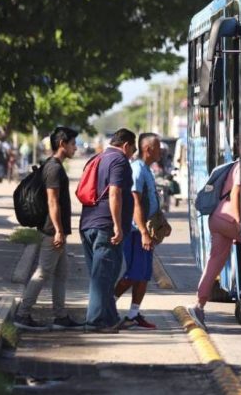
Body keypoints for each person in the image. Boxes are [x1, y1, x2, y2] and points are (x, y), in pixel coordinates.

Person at [14, 127, 84, 331]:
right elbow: (53, 202)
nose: (75, 148)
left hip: (54, 229)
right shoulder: (54, 169)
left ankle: (61, 316)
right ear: (62, 144)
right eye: (72, 143)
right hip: (51, 230)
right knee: (43, 272)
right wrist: (59, 231)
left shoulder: (53, 166)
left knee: (62, 274)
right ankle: (23, 314)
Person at [79, 128, 137, 333]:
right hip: (106, 227)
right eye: (134, 149)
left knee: (104, 277)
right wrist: (118, 226)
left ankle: (111, 318)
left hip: (88, 224)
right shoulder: (119, 160)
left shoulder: (98, 158)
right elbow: (114, 194)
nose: (133, 154)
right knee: (102, 278)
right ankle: (95, 322)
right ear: (126, 145)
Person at [114, 132, 162, 330]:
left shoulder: (147, 170)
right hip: (135, 233)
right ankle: (106, 304)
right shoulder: (137, 169)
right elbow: (135, 201)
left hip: (145, 231)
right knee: (134, 274)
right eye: (158, 147)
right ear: (148, 149)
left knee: (143, 275)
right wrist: (143, 231)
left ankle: (133, 315)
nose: (161, 151)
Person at [188, 159, 241, 331]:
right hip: (229, 218)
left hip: (217, 217)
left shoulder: (234, 164)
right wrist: (239, 222)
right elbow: (236, 193)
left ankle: (199, 305)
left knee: (215, 261)